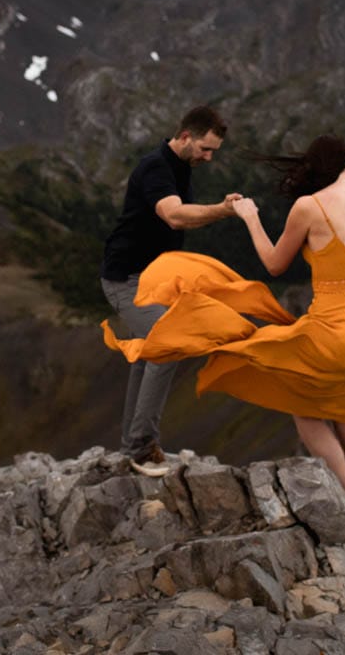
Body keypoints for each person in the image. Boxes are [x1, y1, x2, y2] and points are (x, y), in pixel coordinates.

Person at [101, 134, 345, 495]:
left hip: (332, 336)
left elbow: (274, 264)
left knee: (306, 412)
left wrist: (250, 217)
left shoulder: (309, 206)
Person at [100, 105, 242, 476]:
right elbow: (175, 215)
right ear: (184, 137)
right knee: (169, 345)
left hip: (153, 280)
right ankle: (141, 448)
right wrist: (225, 210)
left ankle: (132, 445)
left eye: (213, 151)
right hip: (125, 279)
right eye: (205, 149)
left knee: (147, 354)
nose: (209, 158)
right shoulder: (155, 168)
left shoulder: (180, 166)